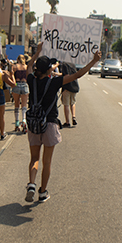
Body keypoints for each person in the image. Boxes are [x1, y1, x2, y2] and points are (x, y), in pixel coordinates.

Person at [24, 44, 101, 203]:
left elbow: (29, 66)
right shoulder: (54, 82)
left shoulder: (31, 79)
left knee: (34, 159)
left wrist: (37, 52)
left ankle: (31, 183)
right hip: (50, 124)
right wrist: (93, 61)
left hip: (33, 124)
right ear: (48, 70)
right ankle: (43, 192)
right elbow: (78, 75)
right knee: (47, 161)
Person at [10, 55, 29, 131]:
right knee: (24, 105)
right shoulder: (26, 67)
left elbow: (11, 74)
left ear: (17, 59)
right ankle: (24, 120)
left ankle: (17, 123)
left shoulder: (14, 66)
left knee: (16, 104)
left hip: (16, 84)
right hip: (24, 84)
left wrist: (13, 83)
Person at [58, 61, 80, 128]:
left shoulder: (64, 64)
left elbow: (66, 75)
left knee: (66, 104)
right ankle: (73, 116)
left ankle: (67, 122)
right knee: (72, 103)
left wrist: (57, 74)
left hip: (67, 87)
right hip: (74, 86)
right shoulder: (72, 64)